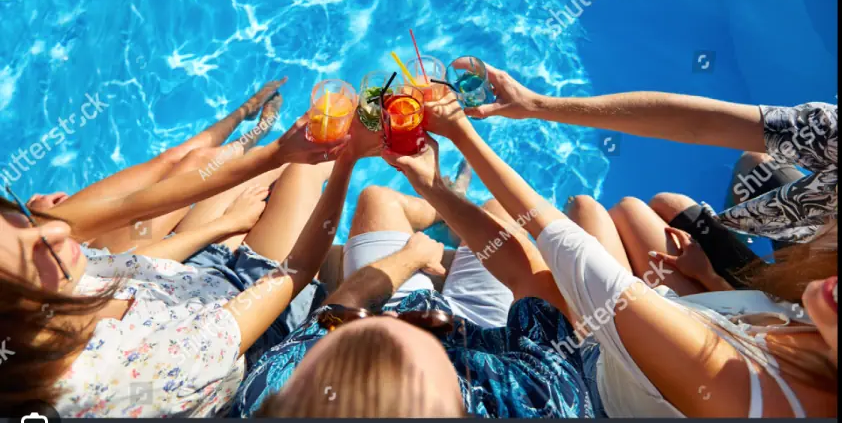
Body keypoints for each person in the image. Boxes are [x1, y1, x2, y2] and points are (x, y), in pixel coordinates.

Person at [421, 93, 837, 417]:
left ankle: (441, 204)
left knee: (572, 223)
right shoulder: (817, 326)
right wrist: (711, 278)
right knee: (629, 213)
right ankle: (442, 204)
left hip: (598, 367)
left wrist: (460, 134)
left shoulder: (741, 385)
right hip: (683, 327)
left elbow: (562, 242)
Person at [0, 114, 376, 417]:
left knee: (271, 167)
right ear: (24, 316)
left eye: (27, 222)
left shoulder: (58, 291)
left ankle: (262, 132)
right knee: (306, 172)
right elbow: (295, 272)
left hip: (193, 278)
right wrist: (347, 161)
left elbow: (134, 253)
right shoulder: (137, 377)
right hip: (256, 319)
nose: (56, 231)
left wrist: (271, 161)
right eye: (36, 253)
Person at [232, 134, 599, 418]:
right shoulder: (537, 402)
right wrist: (436, 188)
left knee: (378, 198)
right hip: (490, 333)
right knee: (497, 211)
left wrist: (411, 256)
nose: (393, 317)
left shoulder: (282, 396)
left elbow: (339, 313)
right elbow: (529, 278)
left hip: (421, 302)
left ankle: (442, 216)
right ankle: (450, 209)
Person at [465, 62, 837, 284]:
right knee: (752, 165)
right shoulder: (829, 131)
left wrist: (711, 279)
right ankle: (745, 236)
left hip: (799, 310)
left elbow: (792, 335)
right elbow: (699, 123)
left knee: (632, 211)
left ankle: (749, 274)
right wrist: (536, 105)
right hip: (813, 247)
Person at [28, 80, 287, 254]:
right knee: (198, 162)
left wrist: (26, 220)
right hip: (93, 262)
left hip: (43, 233)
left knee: (171, 158)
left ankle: (245, 110)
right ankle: (259, 131)